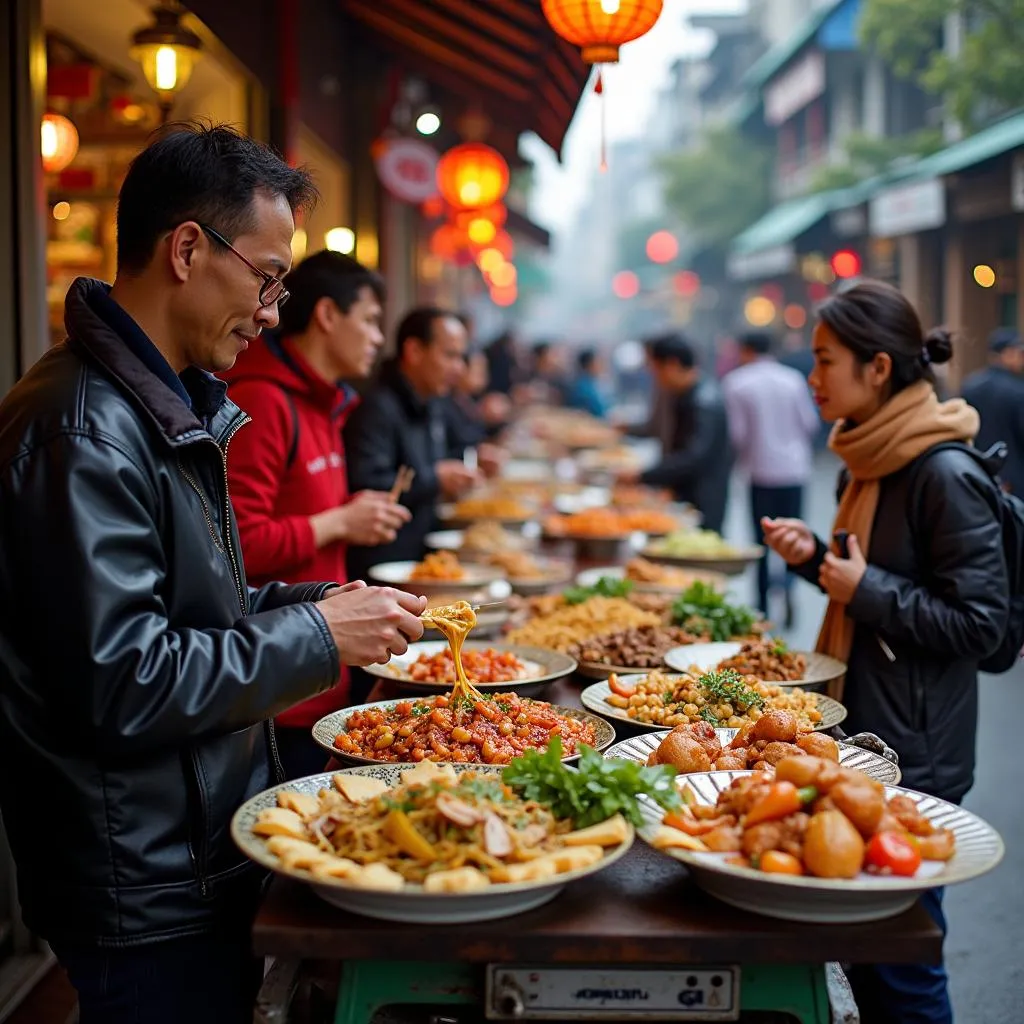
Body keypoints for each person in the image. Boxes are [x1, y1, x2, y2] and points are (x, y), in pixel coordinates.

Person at [0, 122, 427, 1024]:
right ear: (189, 249)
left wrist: (325, 603)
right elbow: (124, 680)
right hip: (144, 880)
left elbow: (200, 612)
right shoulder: (83, 425)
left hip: (189, 850)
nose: (272, 310)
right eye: (268, 278)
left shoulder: (157, 404)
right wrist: (317, 638)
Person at [761, 280, 1008, 1024]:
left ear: (877, 368)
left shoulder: (943, 472)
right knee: (868, 952)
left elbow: (981, 624)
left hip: (915, 748)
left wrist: (865, 588)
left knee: (900, 962)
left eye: (825, 360)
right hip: (868, 727)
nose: (812, 377)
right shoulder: (865, 458)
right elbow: (868, 579)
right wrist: (815, 562)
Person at [222, 249, 412, 779]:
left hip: (323, 669)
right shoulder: (262, 402)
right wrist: (339, 523)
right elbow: (234, 547)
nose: (379, 338)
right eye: (371, 321)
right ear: (328, 315)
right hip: (277, 691)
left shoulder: (326, 402)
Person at [344, 307, 482, 581]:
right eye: (450, 355)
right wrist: (435, 478)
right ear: (415, 351)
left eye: (461, 357)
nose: (460, 368)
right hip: (383, 572)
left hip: (421, 559)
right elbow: (365, 484)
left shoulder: (432, 401)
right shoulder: (377, 407)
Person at [722, 331, 820, 623]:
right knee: (793, 538)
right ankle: (789, 588)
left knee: (762, 541)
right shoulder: (792, 379)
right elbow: (810, 423)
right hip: (794, 470)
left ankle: (763, 606)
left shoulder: (737, 383)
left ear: (745, 349)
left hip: (761, 472)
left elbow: (737, 435)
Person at [618, 332, 732, 533]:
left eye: (655, 370)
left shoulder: (704, 401)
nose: (654, 378)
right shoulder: (687, 395)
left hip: (702, 501)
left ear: (671, 365)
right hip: (686, 495)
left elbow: (694, 457)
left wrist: (644, 476)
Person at [961, 326, 1024, 494]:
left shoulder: (970, 386)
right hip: (1014, 479)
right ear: (1006, 354)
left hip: (976, 473)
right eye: (1019, 353)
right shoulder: (1018, 391)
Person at [568, 348, 610, 418]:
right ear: (590, 364)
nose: (602, 365)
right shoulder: (583, 388)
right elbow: (597, 412)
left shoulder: (590, 383)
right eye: (598, 362)